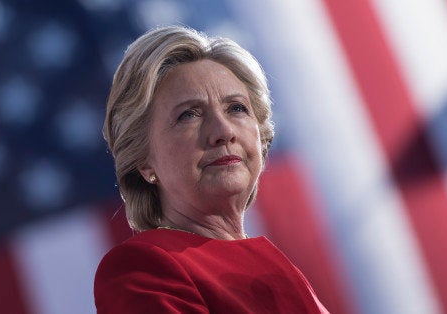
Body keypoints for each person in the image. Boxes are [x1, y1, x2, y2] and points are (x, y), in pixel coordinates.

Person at [94, 25, 329, 313]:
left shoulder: (282, 273)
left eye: (237, 108)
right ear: (144, 159)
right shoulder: (143, 266)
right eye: (189, 114)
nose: (223, 131)